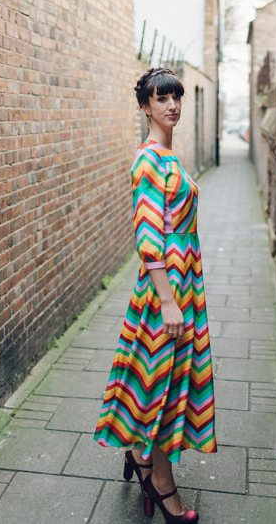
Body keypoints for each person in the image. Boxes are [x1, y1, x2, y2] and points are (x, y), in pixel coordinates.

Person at [94, 68, 216, 524]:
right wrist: (167, 300)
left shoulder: (169, 157)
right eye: (162, 99)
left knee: (163, 376)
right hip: (168, 286)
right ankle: (160, 483)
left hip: (184, 279)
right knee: (165, 381)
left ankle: (140, 457)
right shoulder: (148, 161)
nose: (172, 106)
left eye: (177, 98)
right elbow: (148, 237)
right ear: (145, 106)